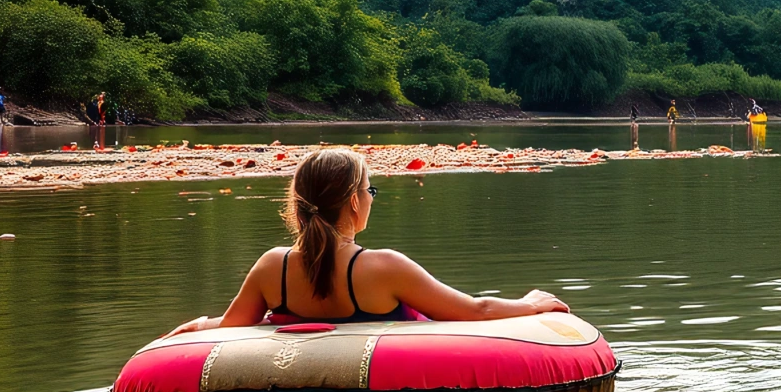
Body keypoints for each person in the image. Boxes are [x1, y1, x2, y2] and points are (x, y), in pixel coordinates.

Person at [168, 147, 572, 335]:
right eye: (369, 190)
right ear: (353, 202)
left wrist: (196, 325)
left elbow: (234, 323)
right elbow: (473, 310)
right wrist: (531, 304)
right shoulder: (382, 267)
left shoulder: (274, 265)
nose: (370, 198)